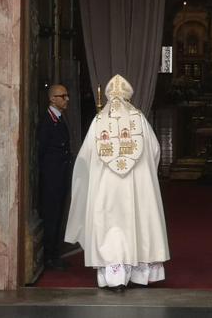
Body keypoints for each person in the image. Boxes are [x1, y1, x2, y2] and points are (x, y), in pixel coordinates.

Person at [65, 74, 169, 290]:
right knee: (138, 225)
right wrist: (146, 171)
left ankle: (114, 278)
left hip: (106, 188)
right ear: (128, 98)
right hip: (138, 187)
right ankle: (140, 276)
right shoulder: (140, 119)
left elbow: (85, 158)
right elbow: (156, 150)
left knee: (109, 227)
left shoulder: (98, 121)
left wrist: (90, 178)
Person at [38, 83, 73, 270]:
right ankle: (49, 257)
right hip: (52, 179)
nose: (66, 99)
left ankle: (54, 253)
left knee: (58, 216)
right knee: (51, 217)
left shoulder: (58, 118)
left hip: (60, 176)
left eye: (66, 95)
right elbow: (42, 151)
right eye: (63, 96)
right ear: (52, 99)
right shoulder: (47, 121)